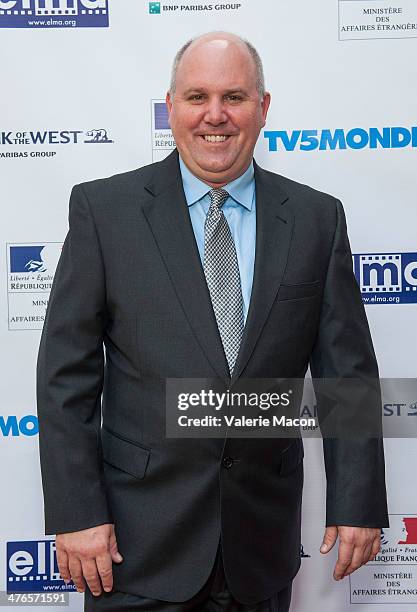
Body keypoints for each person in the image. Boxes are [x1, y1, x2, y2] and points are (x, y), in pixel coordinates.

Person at [37, 31, 389, 611]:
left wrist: (357, 501)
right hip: (132, 546)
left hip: (261, 549)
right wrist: (78, 512)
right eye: (197, 97)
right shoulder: (104, 212)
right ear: (171, 106)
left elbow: (345, 376)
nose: (215, 116)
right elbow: (65, 378)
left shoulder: (315, 219)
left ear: (263, 107)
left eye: (235, 96)